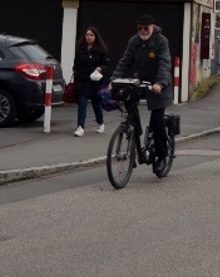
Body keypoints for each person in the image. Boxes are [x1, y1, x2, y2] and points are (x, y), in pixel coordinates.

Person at [111, 15, 172, 176]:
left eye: (146, 28)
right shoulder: (134, 41)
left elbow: (165, 64)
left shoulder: (161, 41)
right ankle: (134, 142)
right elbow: (125, 62)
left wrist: (160, 83)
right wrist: (114, 80)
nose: (143, 31)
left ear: (153, 27)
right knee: (130, 109)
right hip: (141, 81)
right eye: (140, 28)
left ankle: (161, 156)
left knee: (157, 120)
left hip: (159, 85)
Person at [72, 26, 110, 136]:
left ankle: (101, 122)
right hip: (83, 82)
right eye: (87, 35)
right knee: (82, 103)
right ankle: (80, 127)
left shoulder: (101, 50)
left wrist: (101, 68)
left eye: (91, 35)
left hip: (96, 82)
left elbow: (107, 65)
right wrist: (76, 73)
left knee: (96, 104)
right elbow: (76, 64)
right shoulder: (81, 49)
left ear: (95, 36)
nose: (88, 37)